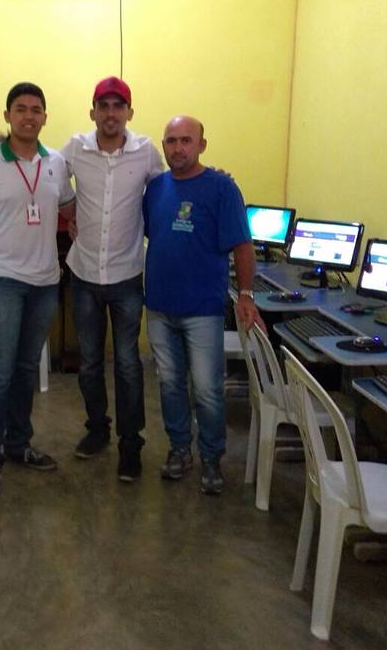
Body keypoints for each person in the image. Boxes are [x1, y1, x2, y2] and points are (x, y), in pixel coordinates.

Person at [0, 82, 76, 502]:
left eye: (36, 109)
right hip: (0, 280)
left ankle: (18, 444)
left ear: (45, 117)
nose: (28, 116)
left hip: (45, 282)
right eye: (20, 109)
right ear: (7, 116)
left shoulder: (56, 163)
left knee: (25, 370)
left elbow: (72, 210)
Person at [142, 115, 263, 494]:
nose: (178, 148)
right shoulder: (154, 189)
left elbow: (243, 246)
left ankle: (212, 458)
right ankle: (180, 450)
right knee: (170, 384)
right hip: (159, 306)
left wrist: (246, 294)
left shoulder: (222, 188)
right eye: (171, 141)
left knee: (208, 390)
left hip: (203, 310)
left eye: (186, 140)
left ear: (202, 145)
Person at [60, 76, 165, 482]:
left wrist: (212, 178)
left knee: (127, 364)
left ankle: (130, 444)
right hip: (85, 273)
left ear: (129, 112)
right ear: (92, 112)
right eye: (103, 106)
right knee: (89, 362)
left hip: (126, 275)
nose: (110, 113)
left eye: (118, 106)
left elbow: (167, 192)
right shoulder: (76, 148)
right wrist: (69, 212)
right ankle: (97, 429)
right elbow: (47, 177)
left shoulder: (146, 152)